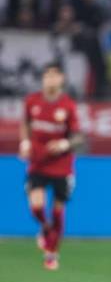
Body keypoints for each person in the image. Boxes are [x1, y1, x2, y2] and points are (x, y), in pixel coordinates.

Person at [18, 62, 84, 270]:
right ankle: (45, 230)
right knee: (37, 207)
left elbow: (78, 137)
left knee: (57, 212)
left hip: (61, 166)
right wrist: (25, 142)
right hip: (38, 163)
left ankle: (52, 254)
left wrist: (64, 143)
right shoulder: (32, 101)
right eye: (47, 76)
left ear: (61, 79)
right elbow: (25, 124)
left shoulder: (68, 106)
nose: (50, 79)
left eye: (54, 76)